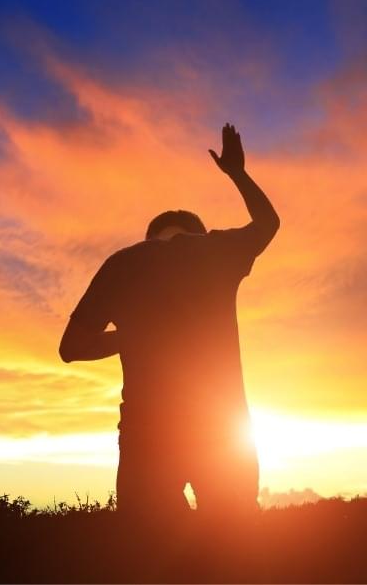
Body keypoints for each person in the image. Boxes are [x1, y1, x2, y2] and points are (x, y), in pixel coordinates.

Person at [59, 122, 280, 523]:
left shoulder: (123, 263)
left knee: (148, 553)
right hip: (220, 428)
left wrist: (131, 336)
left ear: (148, 239)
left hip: (148, 433)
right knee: (235, 548)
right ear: (198, 235)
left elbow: (71, 348)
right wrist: (237, 173)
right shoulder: (215, 253)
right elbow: (268, 224)